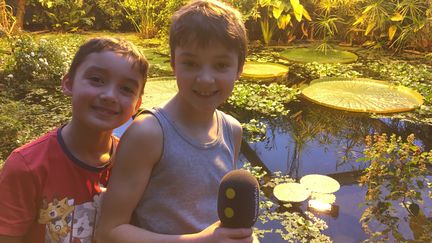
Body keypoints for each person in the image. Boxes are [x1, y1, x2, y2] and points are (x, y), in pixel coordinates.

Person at [96, 0, 253, 242]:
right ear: (173, 64)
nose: (205, 79)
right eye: (190, 63)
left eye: (221, 65)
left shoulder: (232, 130)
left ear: (239, 69)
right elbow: (109, 232)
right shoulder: (149, 133)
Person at [0, 37, 149, 243]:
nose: (109, 95)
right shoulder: (27, 166)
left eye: (126, 89)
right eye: (97, 79)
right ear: (68, 84)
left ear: (137, 104)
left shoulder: (134, 164)